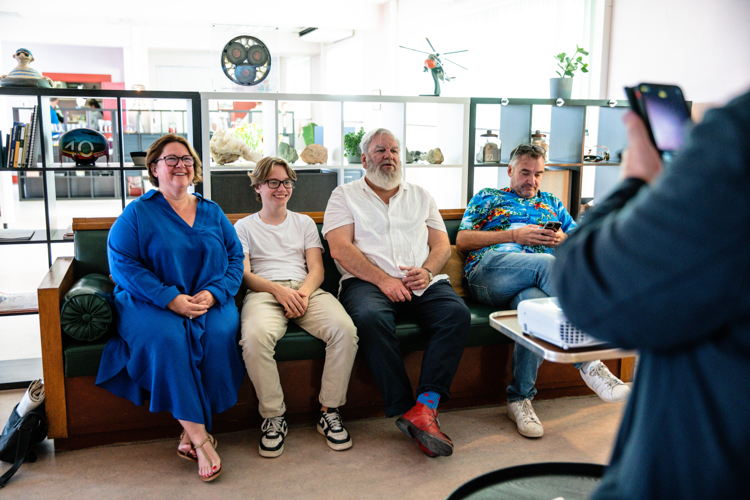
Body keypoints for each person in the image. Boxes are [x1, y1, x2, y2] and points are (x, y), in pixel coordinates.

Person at [553, 90, 750, 498]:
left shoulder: (739, 136)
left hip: (703, 476)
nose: (532, 177)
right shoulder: (488, 200)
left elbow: (584, 288)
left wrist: (636, 181)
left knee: (541, 277)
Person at [95, 134, 244, 482]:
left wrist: (215, 293)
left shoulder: (212, 211)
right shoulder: (137, 213)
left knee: (219, 335)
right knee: (167, 339)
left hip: (208, 298)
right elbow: (123, 265)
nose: (181, 165)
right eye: (171, 159)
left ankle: (187, 431)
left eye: (187, 159)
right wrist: (169, 298)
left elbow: (236, 258)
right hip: (150, 300)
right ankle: (201, 438)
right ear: (154, 168)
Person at [456, 144, 630, 439]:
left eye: (538, 174)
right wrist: (514, 235)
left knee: (533, 309)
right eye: (525, 172)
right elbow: (462, 239)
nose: (532, 180)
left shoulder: (551, 202)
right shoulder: (488, 197)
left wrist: (563, 240)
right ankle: (590, 361)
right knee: (546, 264)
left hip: (534, 283)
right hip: (490, 273)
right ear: (510, 170)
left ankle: (519, 399)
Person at [323, 128, 470, 458]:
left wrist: (428, 271)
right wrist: (383, 280)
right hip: (367, 282)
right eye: (380, 150)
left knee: (456, 315)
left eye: (393, 150)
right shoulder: (344, 195)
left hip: (421, 279)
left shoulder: (420, 195)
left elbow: (441, 244)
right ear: (364, 159)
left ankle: (426, 406)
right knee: (370, 317)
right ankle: (406, 409)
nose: (388, 156)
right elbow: (340, 248)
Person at [234, 157, 358, 458]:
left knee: (345, 330)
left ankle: (329, 411)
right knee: (254, 338)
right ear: (258, 186)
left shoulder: (303, 223)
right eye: (273, 182)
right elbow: (245, 275)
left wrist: (300, 294)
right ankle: (273, 416)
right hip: (264, 291)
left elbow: (317, 269)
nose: (282, 188)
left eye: (287, 182)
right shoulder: (243, 226)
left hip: (306, 289)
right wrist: (279, 292)